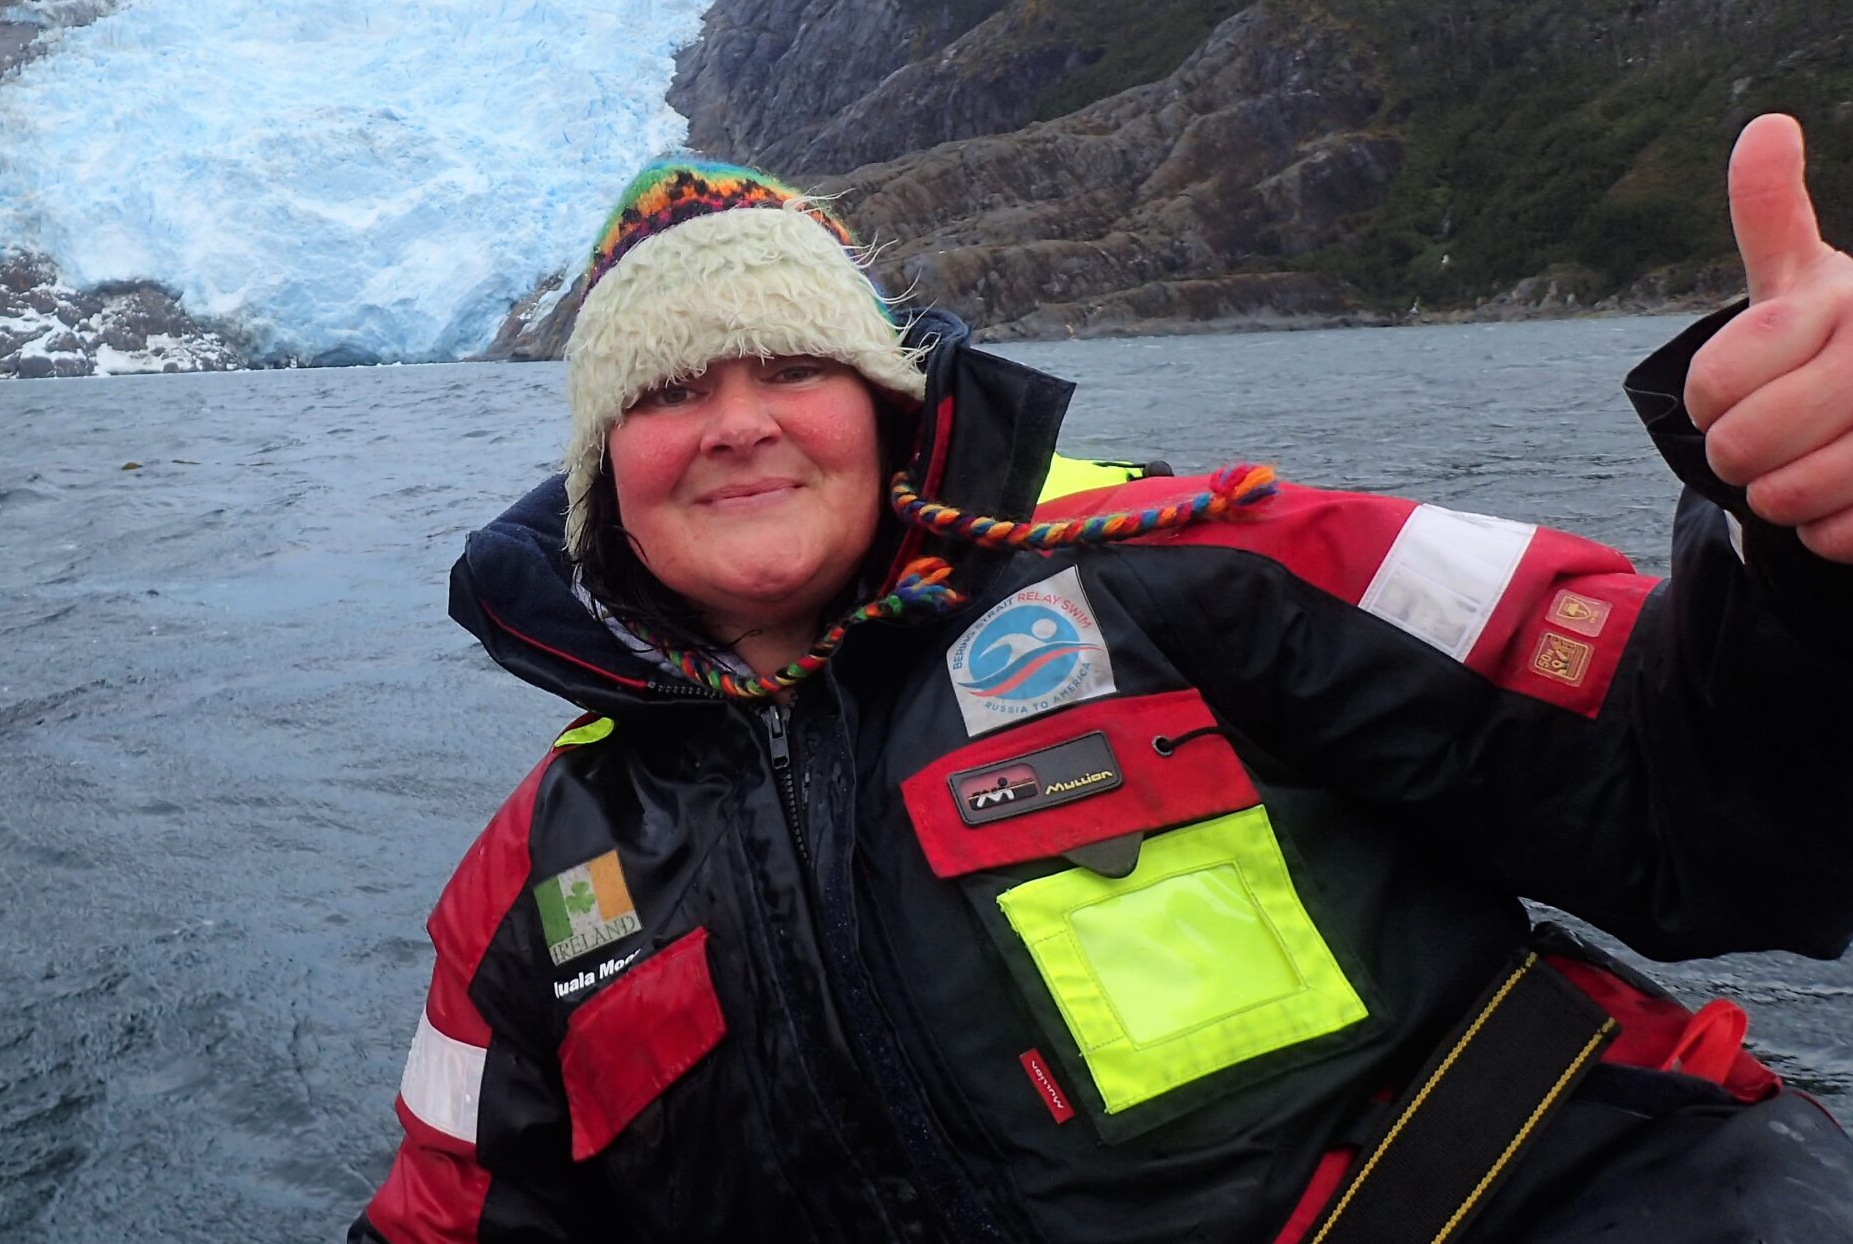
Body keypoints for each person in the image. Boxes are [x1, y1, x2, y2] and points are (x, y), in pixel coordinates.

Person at [350, 115, 1853, 1244]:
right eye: (670, 389)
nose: (739, 424)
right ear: (603, 470)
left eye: (792, 368)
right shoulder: (531, 884)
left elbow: (1704, 793)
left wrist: (1808, 559)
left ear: (885, 408)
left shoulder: (1205, 567)